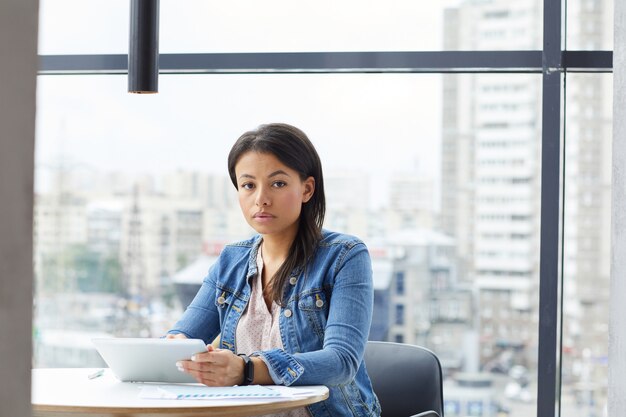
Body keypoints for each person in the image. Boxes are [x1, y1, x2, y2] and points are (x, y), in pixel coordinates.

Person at [166, 123, 380, 417]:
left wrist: (246, 370)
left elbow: (341, 361)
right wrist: (175, 349)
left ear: (307, 189)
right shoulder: (232, 260)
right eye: (248, 185)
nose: (261, 199)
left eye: (277, 184)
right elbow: (182, 337)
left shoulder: (344, 256)